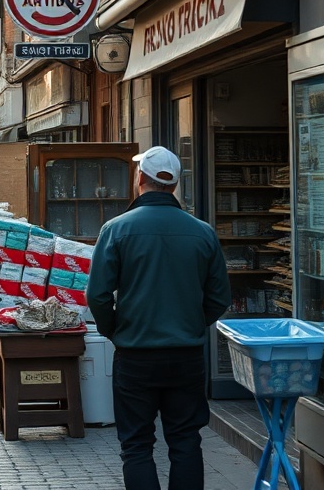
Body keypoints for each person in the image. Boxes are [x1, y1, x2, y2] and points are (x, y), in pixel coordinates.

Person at [86, 146, 232, 490]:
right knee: (185, 440)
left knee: (136, 444)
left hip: (135, 354)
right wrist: (193, 323)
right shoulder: (203, 232)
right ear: (174, 185)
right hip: (186, 355)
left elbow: (98, 295)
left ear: (140, 179)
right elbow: (220, 298)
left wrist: (114, 329)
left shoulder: (116, 229)